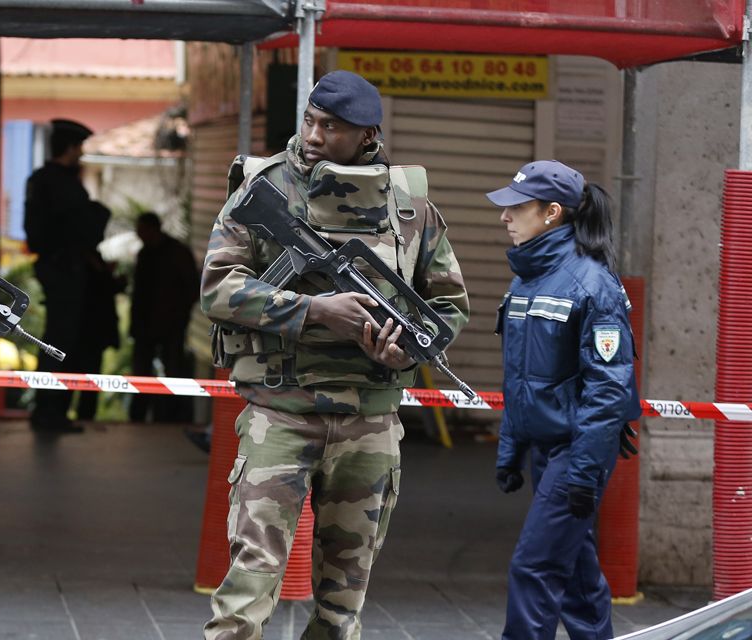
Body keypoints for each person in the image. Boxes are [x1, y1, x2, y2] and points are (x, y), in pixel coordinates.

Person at [201, 70, 469, 639]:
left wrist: (402, 355)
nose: (315, 136)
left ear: (367, 135)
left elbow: (448, 306)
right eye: (310, 120)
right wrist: (316, 311)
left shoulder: (408, 205)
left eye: (332, 127)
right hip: (281, 413)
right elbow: (218, 289)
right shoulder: (265, 188)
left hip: (369, 421)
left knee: (342, 604)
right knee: (248, 588)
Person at [487, 160, 640, 640]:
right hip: (545, 448)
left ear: (552, 212)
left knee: (534, 567)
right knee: (575, 573)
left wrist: (584, 473)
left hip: (577, 449)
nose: (504, 217)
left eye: (516, 207)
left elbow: (608, 390)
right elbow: (519, 378)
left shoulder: (593, 284)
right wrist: (511, 449)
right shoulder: (526, 280)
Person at [23, 118, 115, 433]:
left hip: (56, 267)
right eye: (79, 148)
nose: (81, 155)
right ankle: (51, 411)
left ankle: (47, 410)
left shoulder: (40, 180)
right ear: (71, 148)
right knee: (62, 341)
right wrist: (99, 213)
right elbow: (88, 230)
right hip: (66, 270)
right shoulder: (63, 185)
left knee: (58, 338)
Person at [129, 211, 199, 423]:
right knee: (141, 371)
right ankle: (139, 415)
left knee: (173, 370)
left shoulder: (177, 253)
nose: (140, 235)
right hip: (145, 325)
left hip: (171, 325)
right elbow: (139, 293)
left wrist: (178, 315)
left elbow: (192, 288)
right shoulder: (144, 254)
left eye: (142, 230)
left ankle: (170, 416)